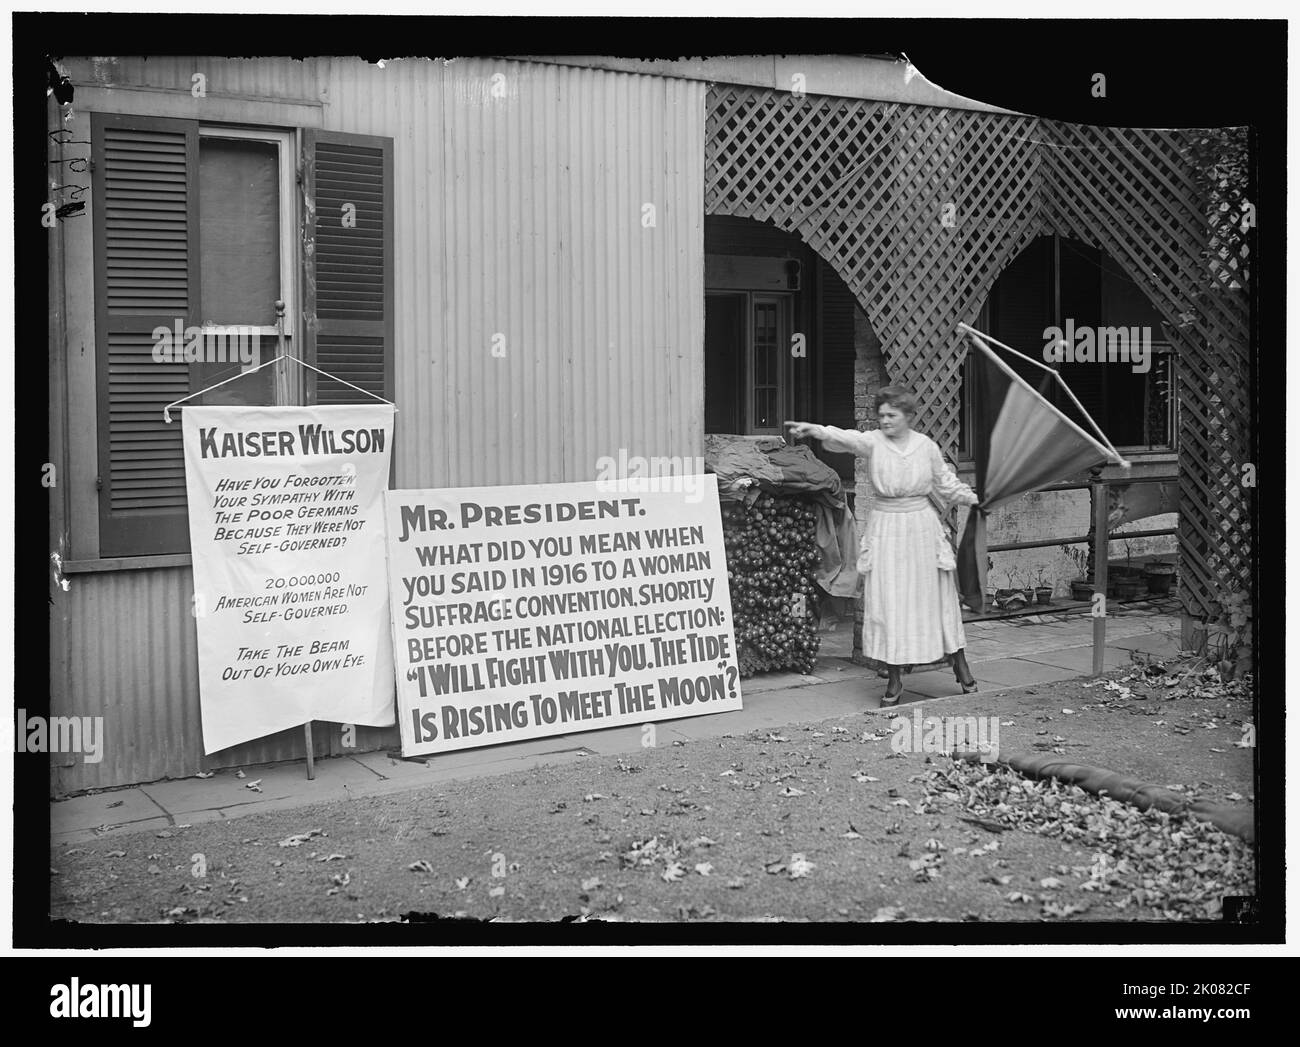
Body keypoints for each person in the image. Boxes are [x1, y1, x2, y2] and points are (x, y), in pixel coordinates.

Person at [786, 387, 980, 706]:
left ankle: (960, 665)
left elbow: (946, 482)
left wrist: (974, 497)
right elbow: (847, 438)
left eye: (892, 415)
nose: (885, 420)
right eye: (882, 415)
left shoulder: (925, 447)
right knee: (890, 600)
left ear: (907, 417)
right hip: (887, 529)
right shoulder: (874, 442)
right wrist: (814, 430)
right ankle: (894, 679)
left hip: (921, 529)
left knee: (934, 598)